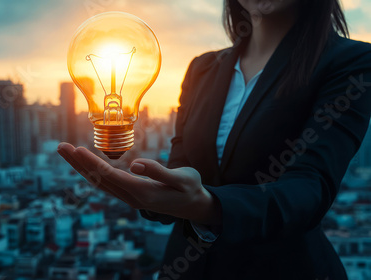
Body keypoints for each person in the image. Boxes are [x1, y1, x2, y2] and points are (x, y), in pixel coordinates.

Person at [58, 0, 371, 278]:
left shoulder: (352, 62)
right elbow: (179, 172)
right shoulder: (203, 69)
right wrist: (153, 190)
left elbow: (310, 188)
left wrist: (210, 206)